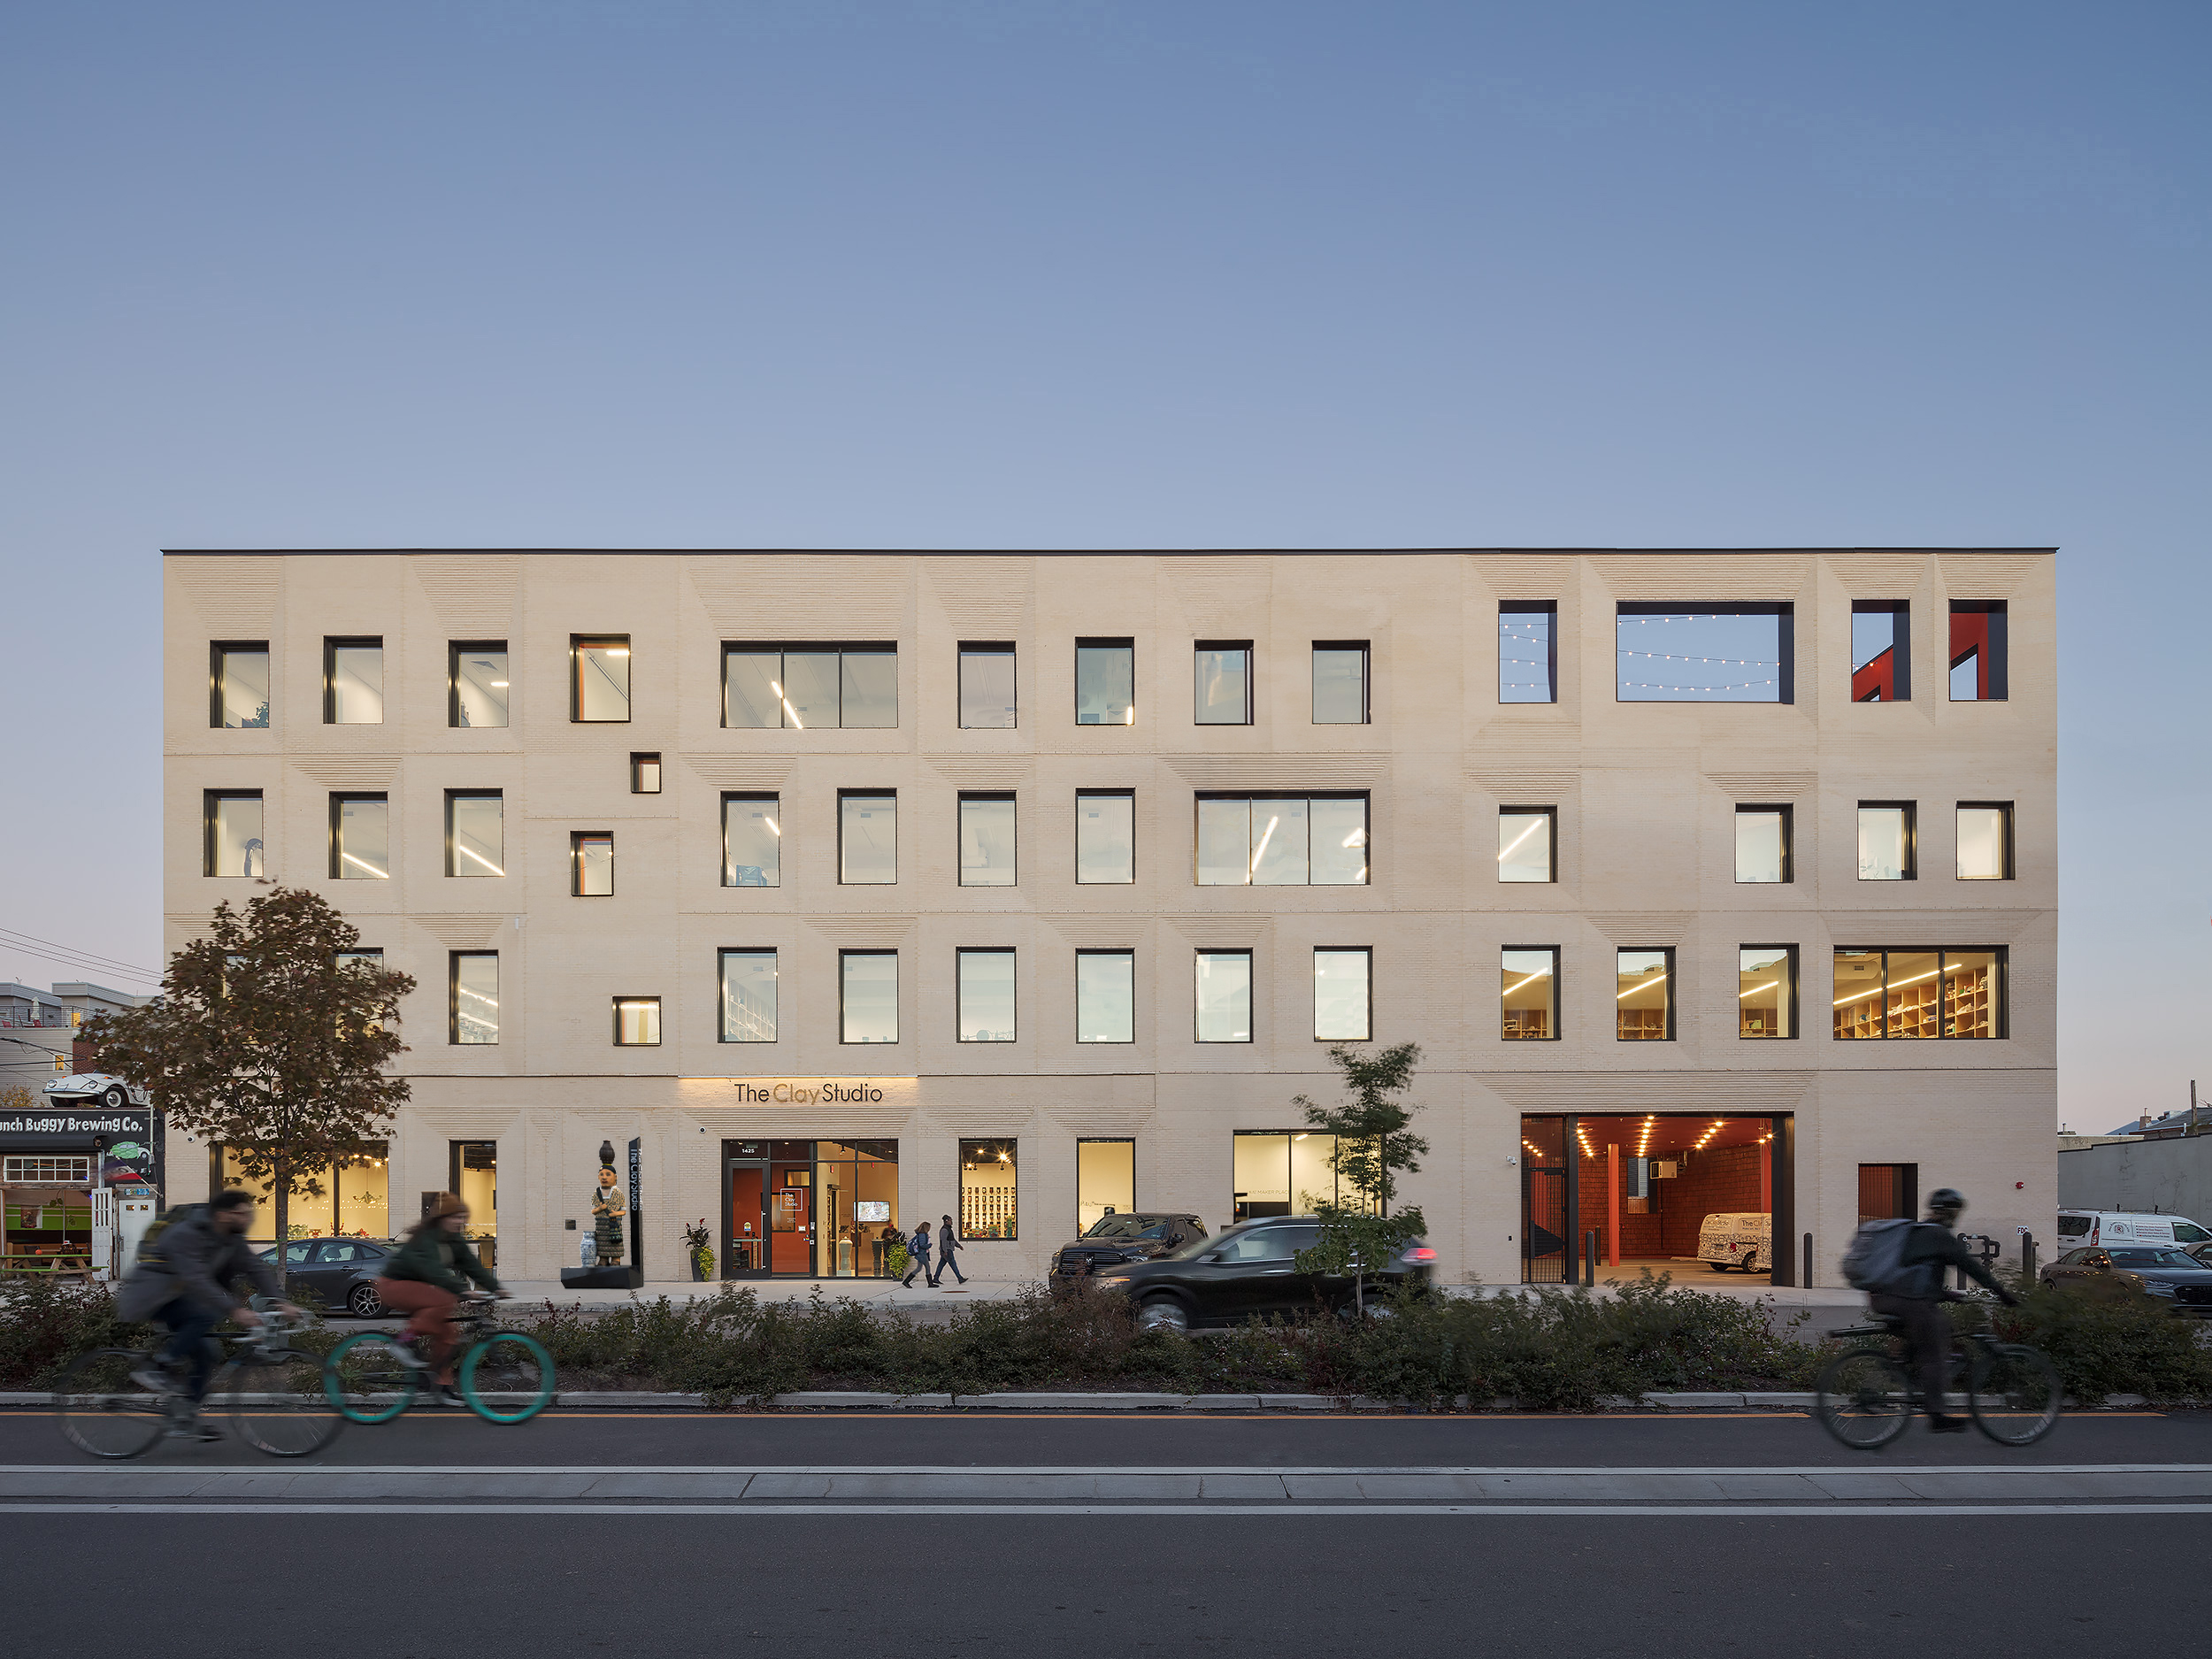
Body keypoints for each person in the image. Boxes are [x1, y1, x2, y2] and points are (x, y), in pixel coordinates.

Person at [115, 1189, 300, 1441]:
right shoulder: (186, 1233)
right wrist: (235, 1309)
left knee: (208, 1354)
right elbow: (196, 1279)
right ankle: (157, 1367)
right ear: (223, 1215)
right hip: (154, 1294)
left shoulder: (230, 1239)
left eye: (249, 1213)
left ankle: (184, 1417)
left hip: (181, 1296)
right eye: (242, 1214)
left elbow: (255, 1268)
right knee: (203, 1314)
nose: (248, 1219)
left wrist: (280, 1302)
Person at [1869, 1187, 2019, 1433]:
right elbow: (1973, 1269)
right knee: (1935, 1351)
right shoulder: (1940, 1237)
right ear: (1952, 1213)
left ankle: (1901, 1367)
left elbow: (1913, 1273)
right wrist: (2004, 1295)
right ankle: (1937, 1415)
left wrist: (1947, 1295)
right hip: (1909, 1302)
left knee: (1942, 1328)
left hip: (1884, 1298)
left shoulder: (1915, 1231)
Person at [379, 1194, 504, 1404]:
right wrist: (463, 1291)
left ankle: (440, 1387)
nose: (461, 1222)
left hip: (418, 1289)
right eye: (456, 1217)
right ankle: (403, 1342)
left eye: (463, 1217)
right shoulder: (426, 1238)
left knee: (449, 1334)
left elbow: (472, 1266)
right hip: (393, 1285)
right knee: (444, 1300)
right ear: (442, 1218)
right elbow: (434, 1271)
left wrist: (497, 1288)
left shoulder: (455, 1241)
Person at [935, 1214, 967, 1286]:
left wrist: (959, 1246)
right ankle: (960, 1278)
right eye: (950, 1220)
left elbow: (952, 1240)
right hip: (947, 1250)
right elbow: (943, 1241)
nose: (951, 1221)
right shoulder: (944, 1230)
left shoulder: (948, 1229)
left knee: (941, 1264)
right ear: (946, 1221)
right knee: (953, 1264)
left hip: (948, 1250)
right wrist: (945, 1251)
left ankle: (936, 1278)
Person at [901, 1217, 932, 1288]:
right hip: (921, 1254)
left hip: (920, 1254)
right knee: (927, 1267)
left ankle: (906, 1282)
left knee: (919, 1268)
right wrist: (929, 1245)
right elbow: (922, 1245)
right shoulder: (922, 1235)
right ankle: (930, 1283)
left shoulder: (921, 1234)